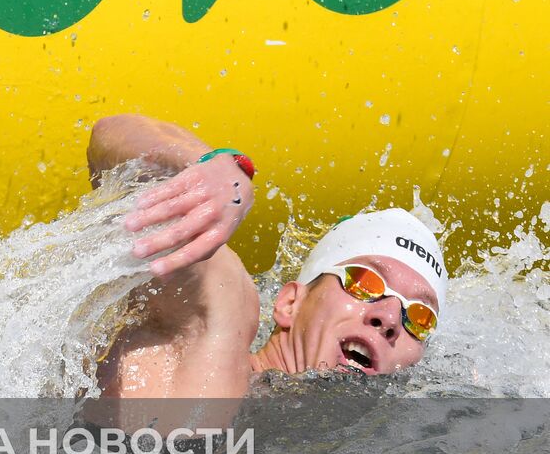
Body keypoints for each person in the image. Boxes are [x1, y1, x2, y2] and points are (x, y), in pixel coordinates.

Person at [86, 113, 446, 400]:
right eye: (364, 282)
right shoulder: (218, 333)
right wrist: (214, 167)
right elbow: (110, 134)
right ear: (289, 302)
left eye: (420, 317)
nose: (388, 317)